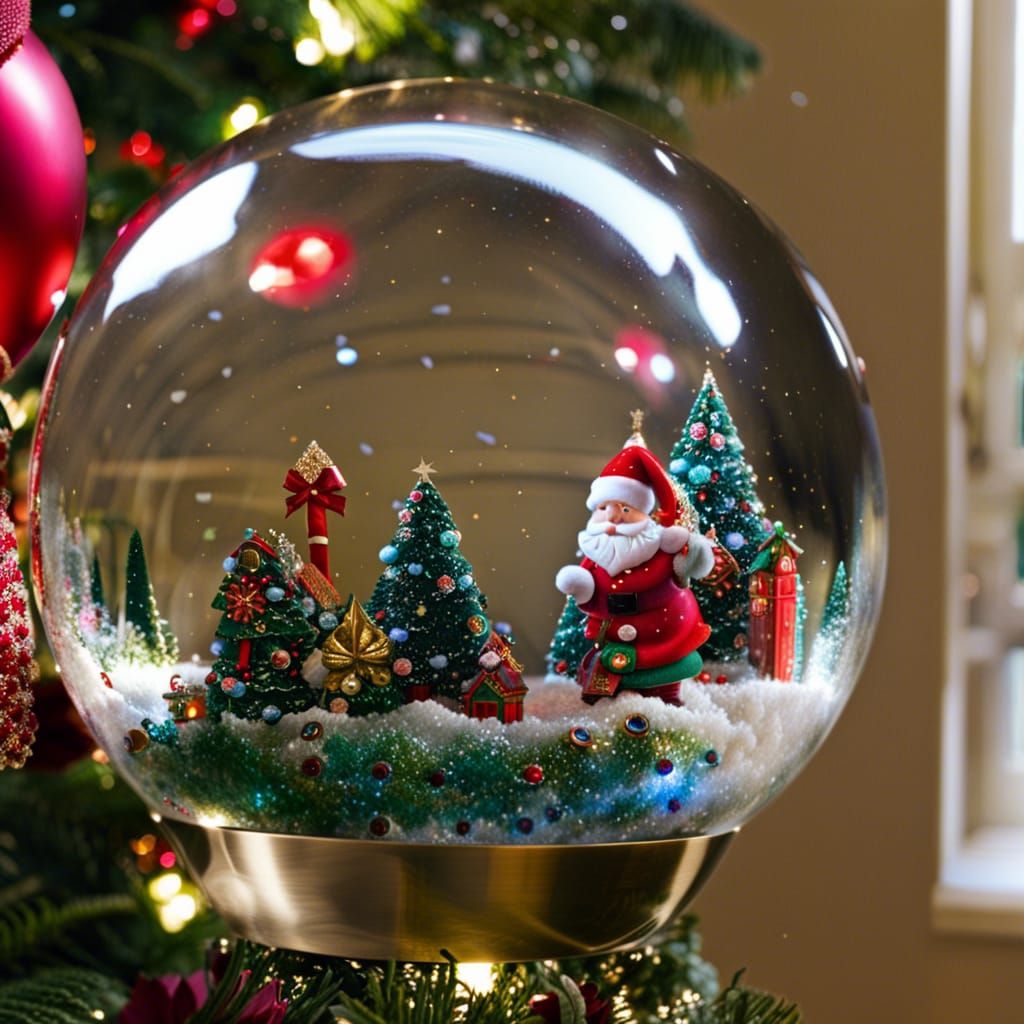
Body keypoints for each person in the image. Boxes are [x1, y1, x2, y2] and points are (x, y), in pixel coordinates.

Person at [555, 443, 715, 703]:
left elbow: (687, 571)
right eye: (603, 508)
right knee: (611, 671)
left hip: (662, 630)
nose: (613, 518)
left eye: (625, 509)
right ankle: (615, 696)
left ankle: (667, 695)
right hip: (615, 635)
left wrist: (693, 551)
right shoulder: (596, 554)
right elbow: (590, 589)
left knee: (665, 669)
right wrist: (583, 589)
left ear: (644, 512)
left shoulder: (662, 547)